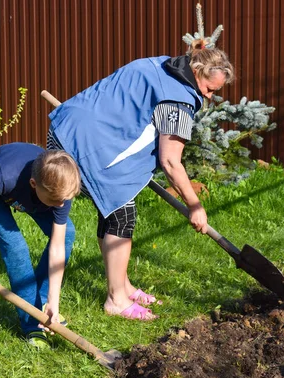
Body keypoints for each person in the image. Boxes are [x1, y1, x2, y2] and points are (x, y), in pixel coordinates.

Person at [47, 39, 235, 320]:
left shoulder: (157, 64)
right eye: (210, 89)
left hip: (66, 128)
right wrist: (195, 205)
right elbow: (170, 161)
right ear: (197, 73)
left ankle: (122, 284)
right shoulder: (179, 102)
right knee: (121, 216)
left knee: (113, 208)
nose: (209, 97)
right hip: (89, 152)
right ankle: (116, 300)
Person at [0, 143, 80, 347]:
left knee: (66, 235)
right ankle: (31, 322)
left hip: (31, 192)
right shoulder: (2, 178)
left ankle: (41, 304)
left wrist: (53, 300)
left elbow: (57, 247)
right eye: (56, 201)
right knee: (16, 248)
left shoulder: (61, 193)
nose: (62, 206)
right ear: (33, 184)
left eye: (64, 201)